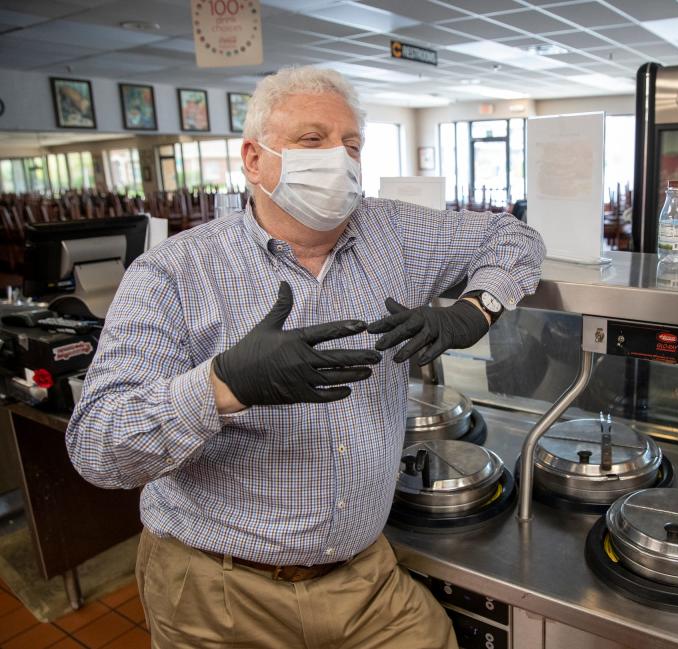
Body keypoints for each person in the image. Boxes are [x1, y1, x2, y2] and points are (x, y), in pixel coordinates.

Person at [66, 66, 545, 648]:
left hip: (363, 581)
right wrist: (222, 384)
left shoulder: (393, 234)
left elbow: (513, 238)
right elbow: (97, 447)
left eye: (351, 145)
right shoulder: (172, 273)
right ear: (254, 159)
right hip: (218, 592)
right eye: (312, 141)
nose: (338, 160)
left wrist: (476, 307)